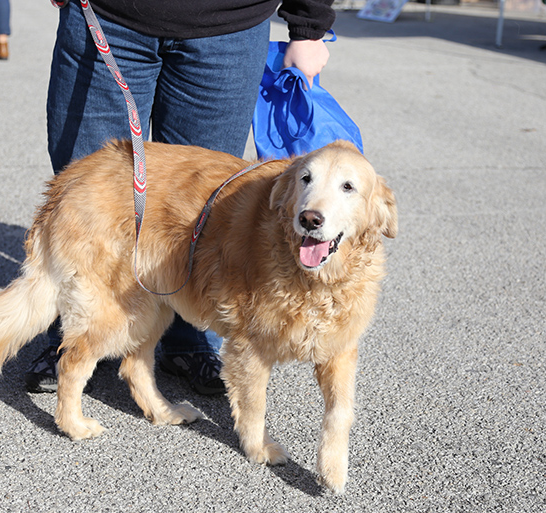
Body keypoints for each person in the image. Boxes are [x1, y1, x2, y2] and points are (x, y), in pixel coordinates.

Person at [24, 0, 335, 395]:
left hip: (229, 27)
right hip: (107, 13)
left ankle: (188, 341)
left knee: (201, 214)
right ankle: (72, 339)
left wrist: (308, 25)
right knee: (90, 194)